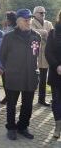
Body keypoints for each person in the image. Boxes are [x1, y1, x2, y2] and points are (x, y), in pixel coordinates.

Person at [1, 9, 41, 140]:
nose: (29, 22)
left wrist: (36, 72)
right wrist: (10, 69)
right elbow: (3, 56)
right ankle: (11, 128)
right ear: (18, 21)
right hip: (13, 76)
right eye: (26, 20)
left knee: (27, 105)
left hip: (30, 76)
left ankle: (23, 126)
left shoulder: (36, 36)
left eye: (30, 19)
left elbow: (35, 55)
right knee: (11, 104)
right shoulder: (8, 37)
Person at [31, 6, 54, 107]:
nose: (43, 14)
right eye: (40, 12)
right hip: (33, 53)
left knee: (44, 78)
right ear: (35, 13)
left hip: (46, 54)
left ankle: (42, 99)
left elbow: (53, 34)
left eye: (44, 12)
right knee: (32, 78)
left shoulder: (49, 23)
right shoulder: (30, 22)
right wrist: (44, 32)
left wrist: (41, 32)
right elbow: (30, 32)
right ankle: (27, 98)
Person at [45, 10, 61, 139]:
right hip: (57, 74)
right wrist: (57, 66)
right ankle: (57, 127)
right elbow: (48, 52)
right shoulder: (53, 33)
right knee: (56, 101)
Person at [0, 11, 17, 105]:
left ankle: (9, 97)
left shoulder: (11, 30)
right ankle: (8, 96)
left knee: (7, 79)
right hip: (6, 58)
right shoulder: (6, 28)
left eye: (6, 18)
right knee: (5, 79)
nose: (5, 20)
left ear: (10, 20)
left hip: (9, 59)